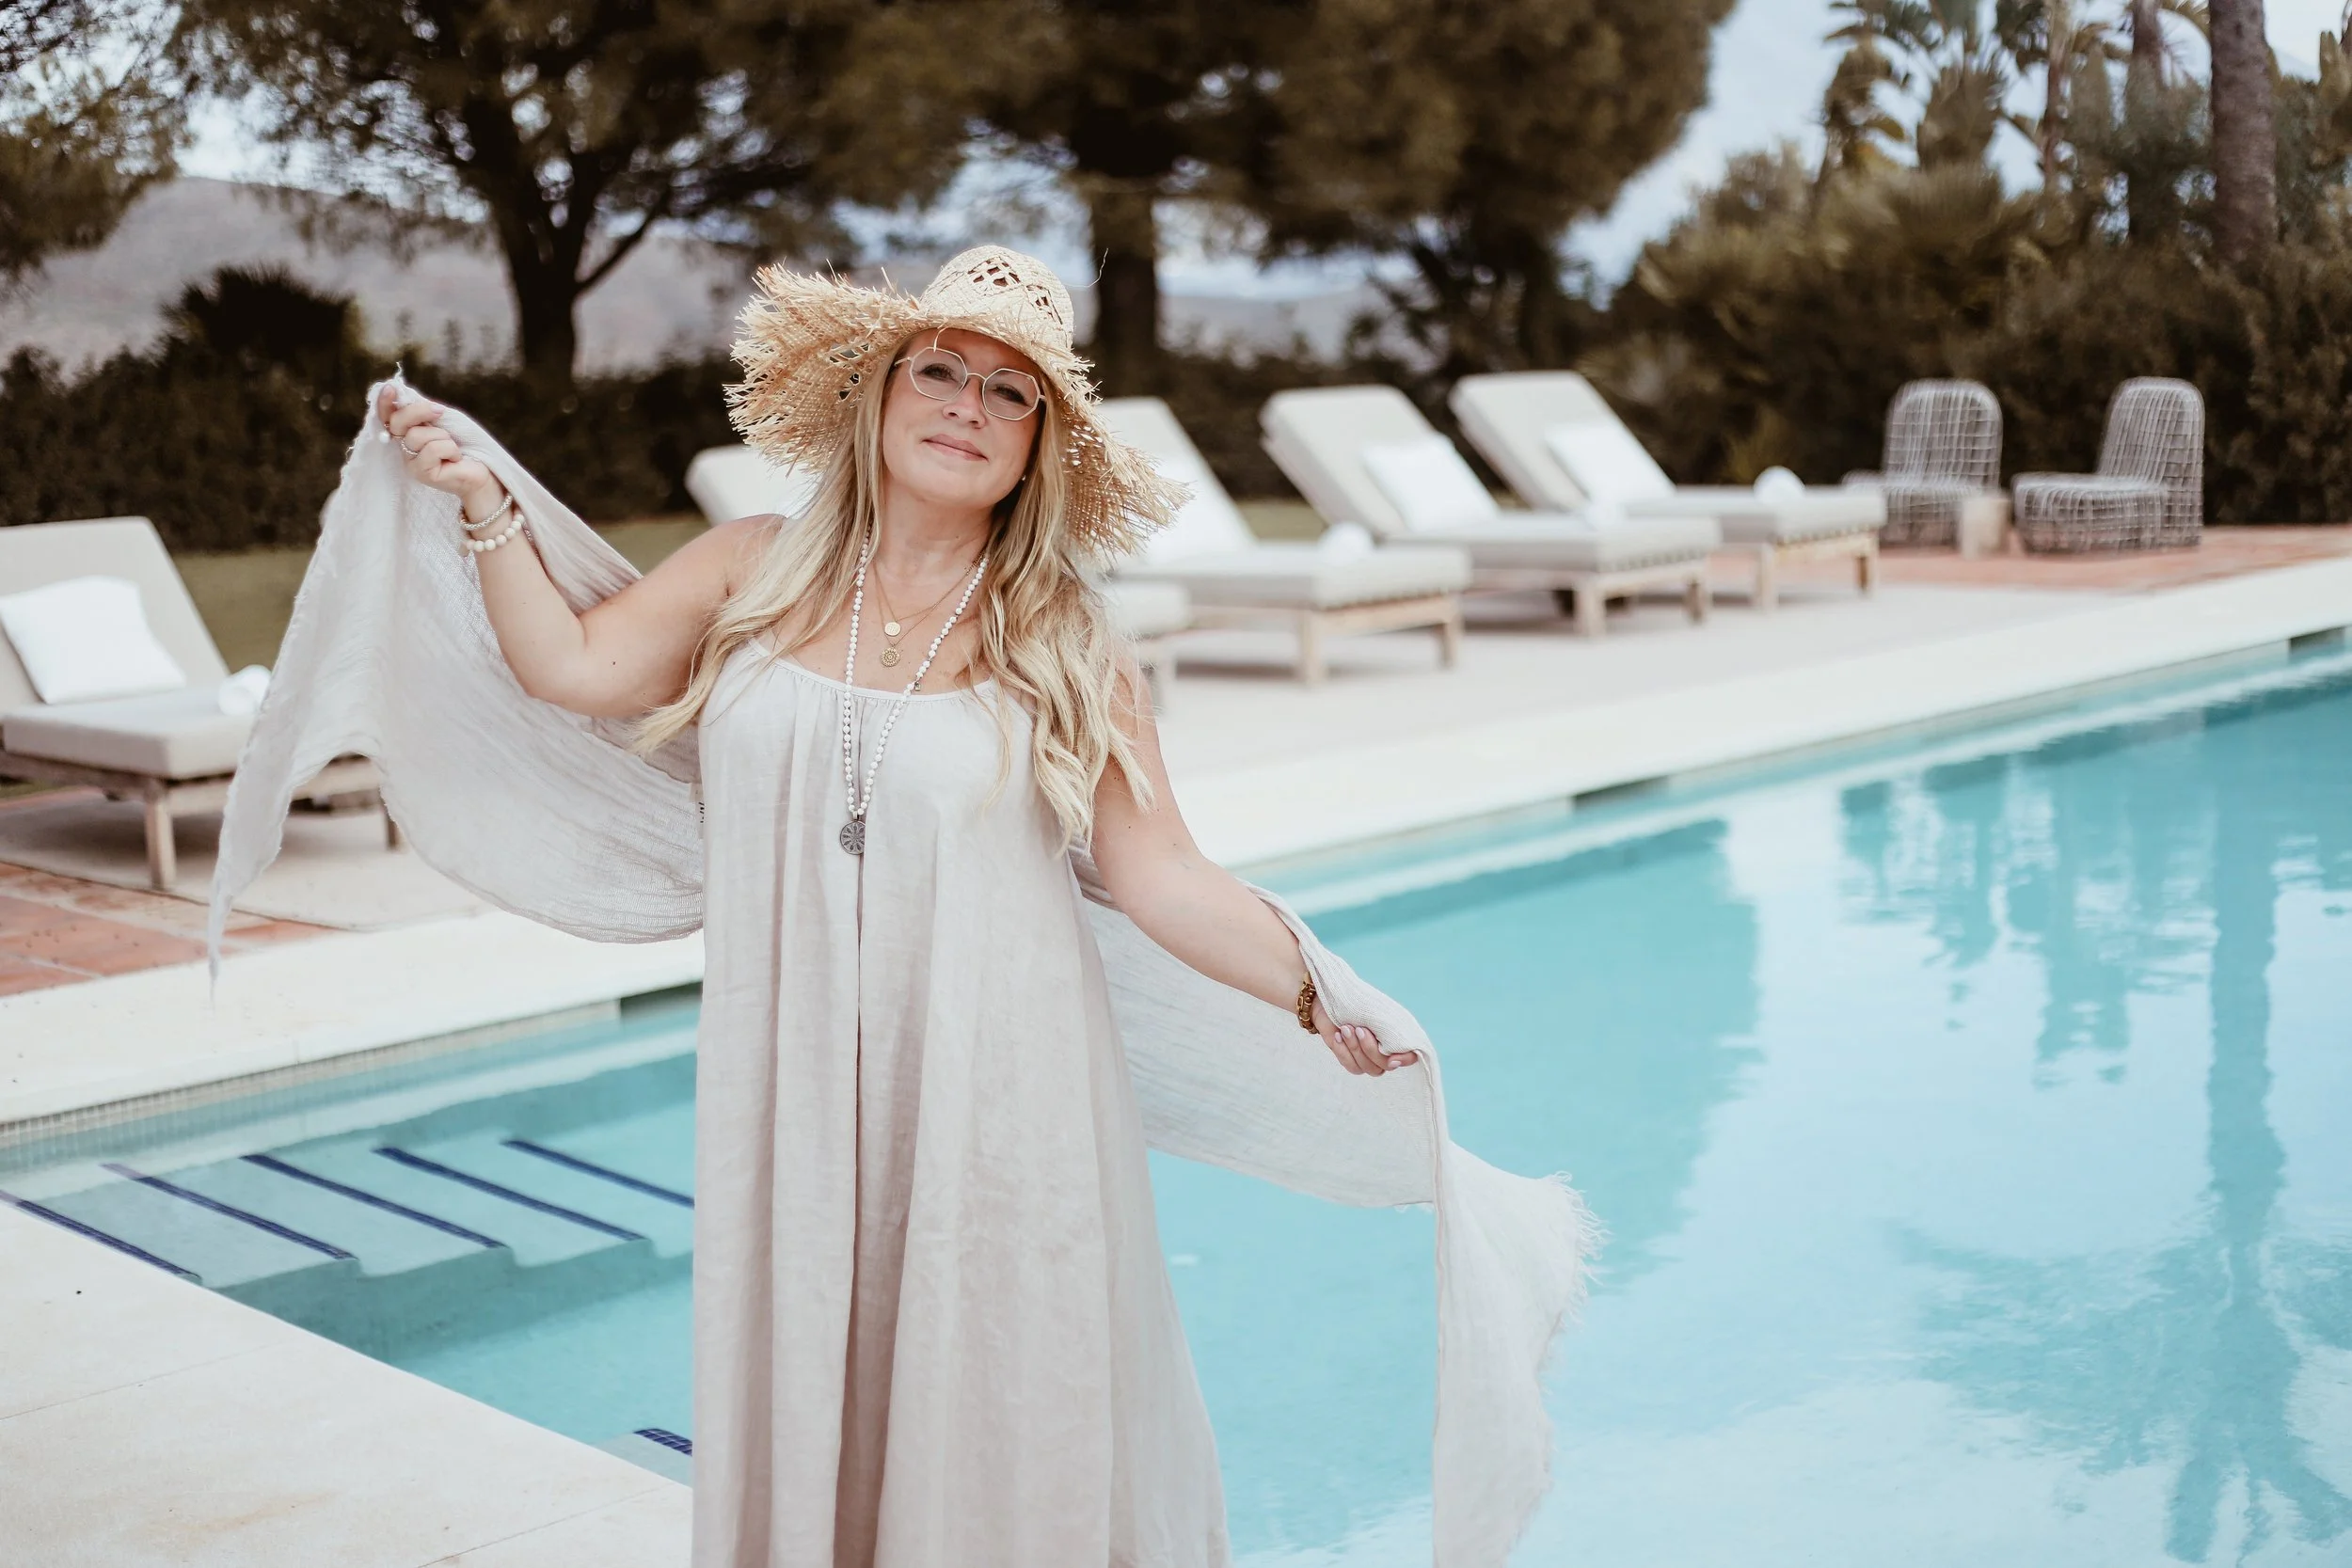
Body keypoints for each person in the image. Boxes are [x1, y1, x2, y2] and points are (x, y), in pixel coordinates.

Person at [375, 247, 1416, 1566]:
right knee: (815, 1362)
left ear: (1036, 448)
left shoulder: (1065, 639)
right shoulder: (753, 568)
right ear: (878, 392)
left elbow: (1162, 874)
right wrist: (485, 502)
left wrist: (1320, 992)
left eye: (1009, 392)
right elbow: (572, 666)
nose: (967, 407)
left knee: (985, 1394)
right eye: (939, 370)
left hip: (995, 1091)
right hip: (792, 1069)